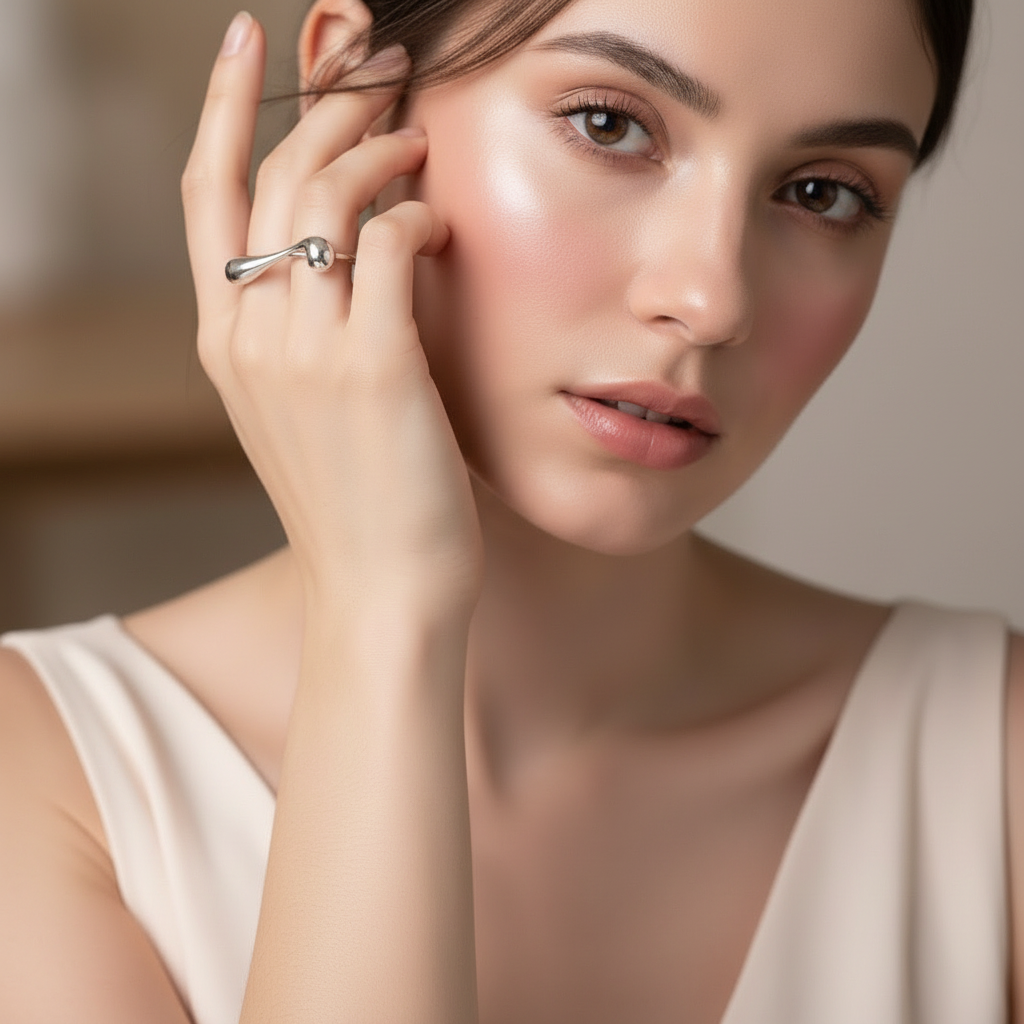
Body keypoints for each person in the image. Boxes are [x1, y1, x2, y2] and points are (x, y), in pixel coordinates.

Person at [0, 0, 1020, 1021]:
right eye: (610, 125)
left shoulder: (991, 769)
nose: (712, 300)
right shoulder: (44, 782)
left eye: (822, 192)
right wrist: (386, 615)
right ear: (354, 94)